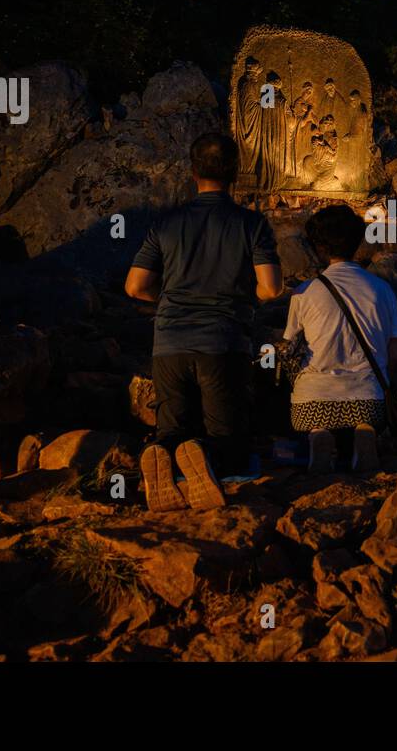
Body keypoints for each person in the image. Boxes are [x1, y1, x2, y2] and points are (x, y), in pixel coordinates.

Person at [125, 133, 282, 512]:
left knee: (172, 427)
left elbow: (134, 286)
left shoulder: (166, 222)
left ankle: (166, 454)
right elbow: (272, 288)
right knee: (229, 443)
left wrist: (169, 299)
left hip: (169, 343)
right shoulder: (251, 223)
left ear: (192, 172)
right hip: (223, 343)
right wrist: (244, 298)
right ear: (236, 173)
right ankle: (206, 461)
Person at [283, 205, 397, 473]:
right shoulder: (382, 290)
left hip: (312, 401)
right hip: (368, 400)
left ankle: (318, 434)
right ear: (357, 242)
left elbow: (290, 345)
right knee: (366, 416)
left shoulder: (304, 292)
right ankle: (365, 431)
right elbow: (395, 353)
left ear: (319, 247)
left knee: (311, 415)